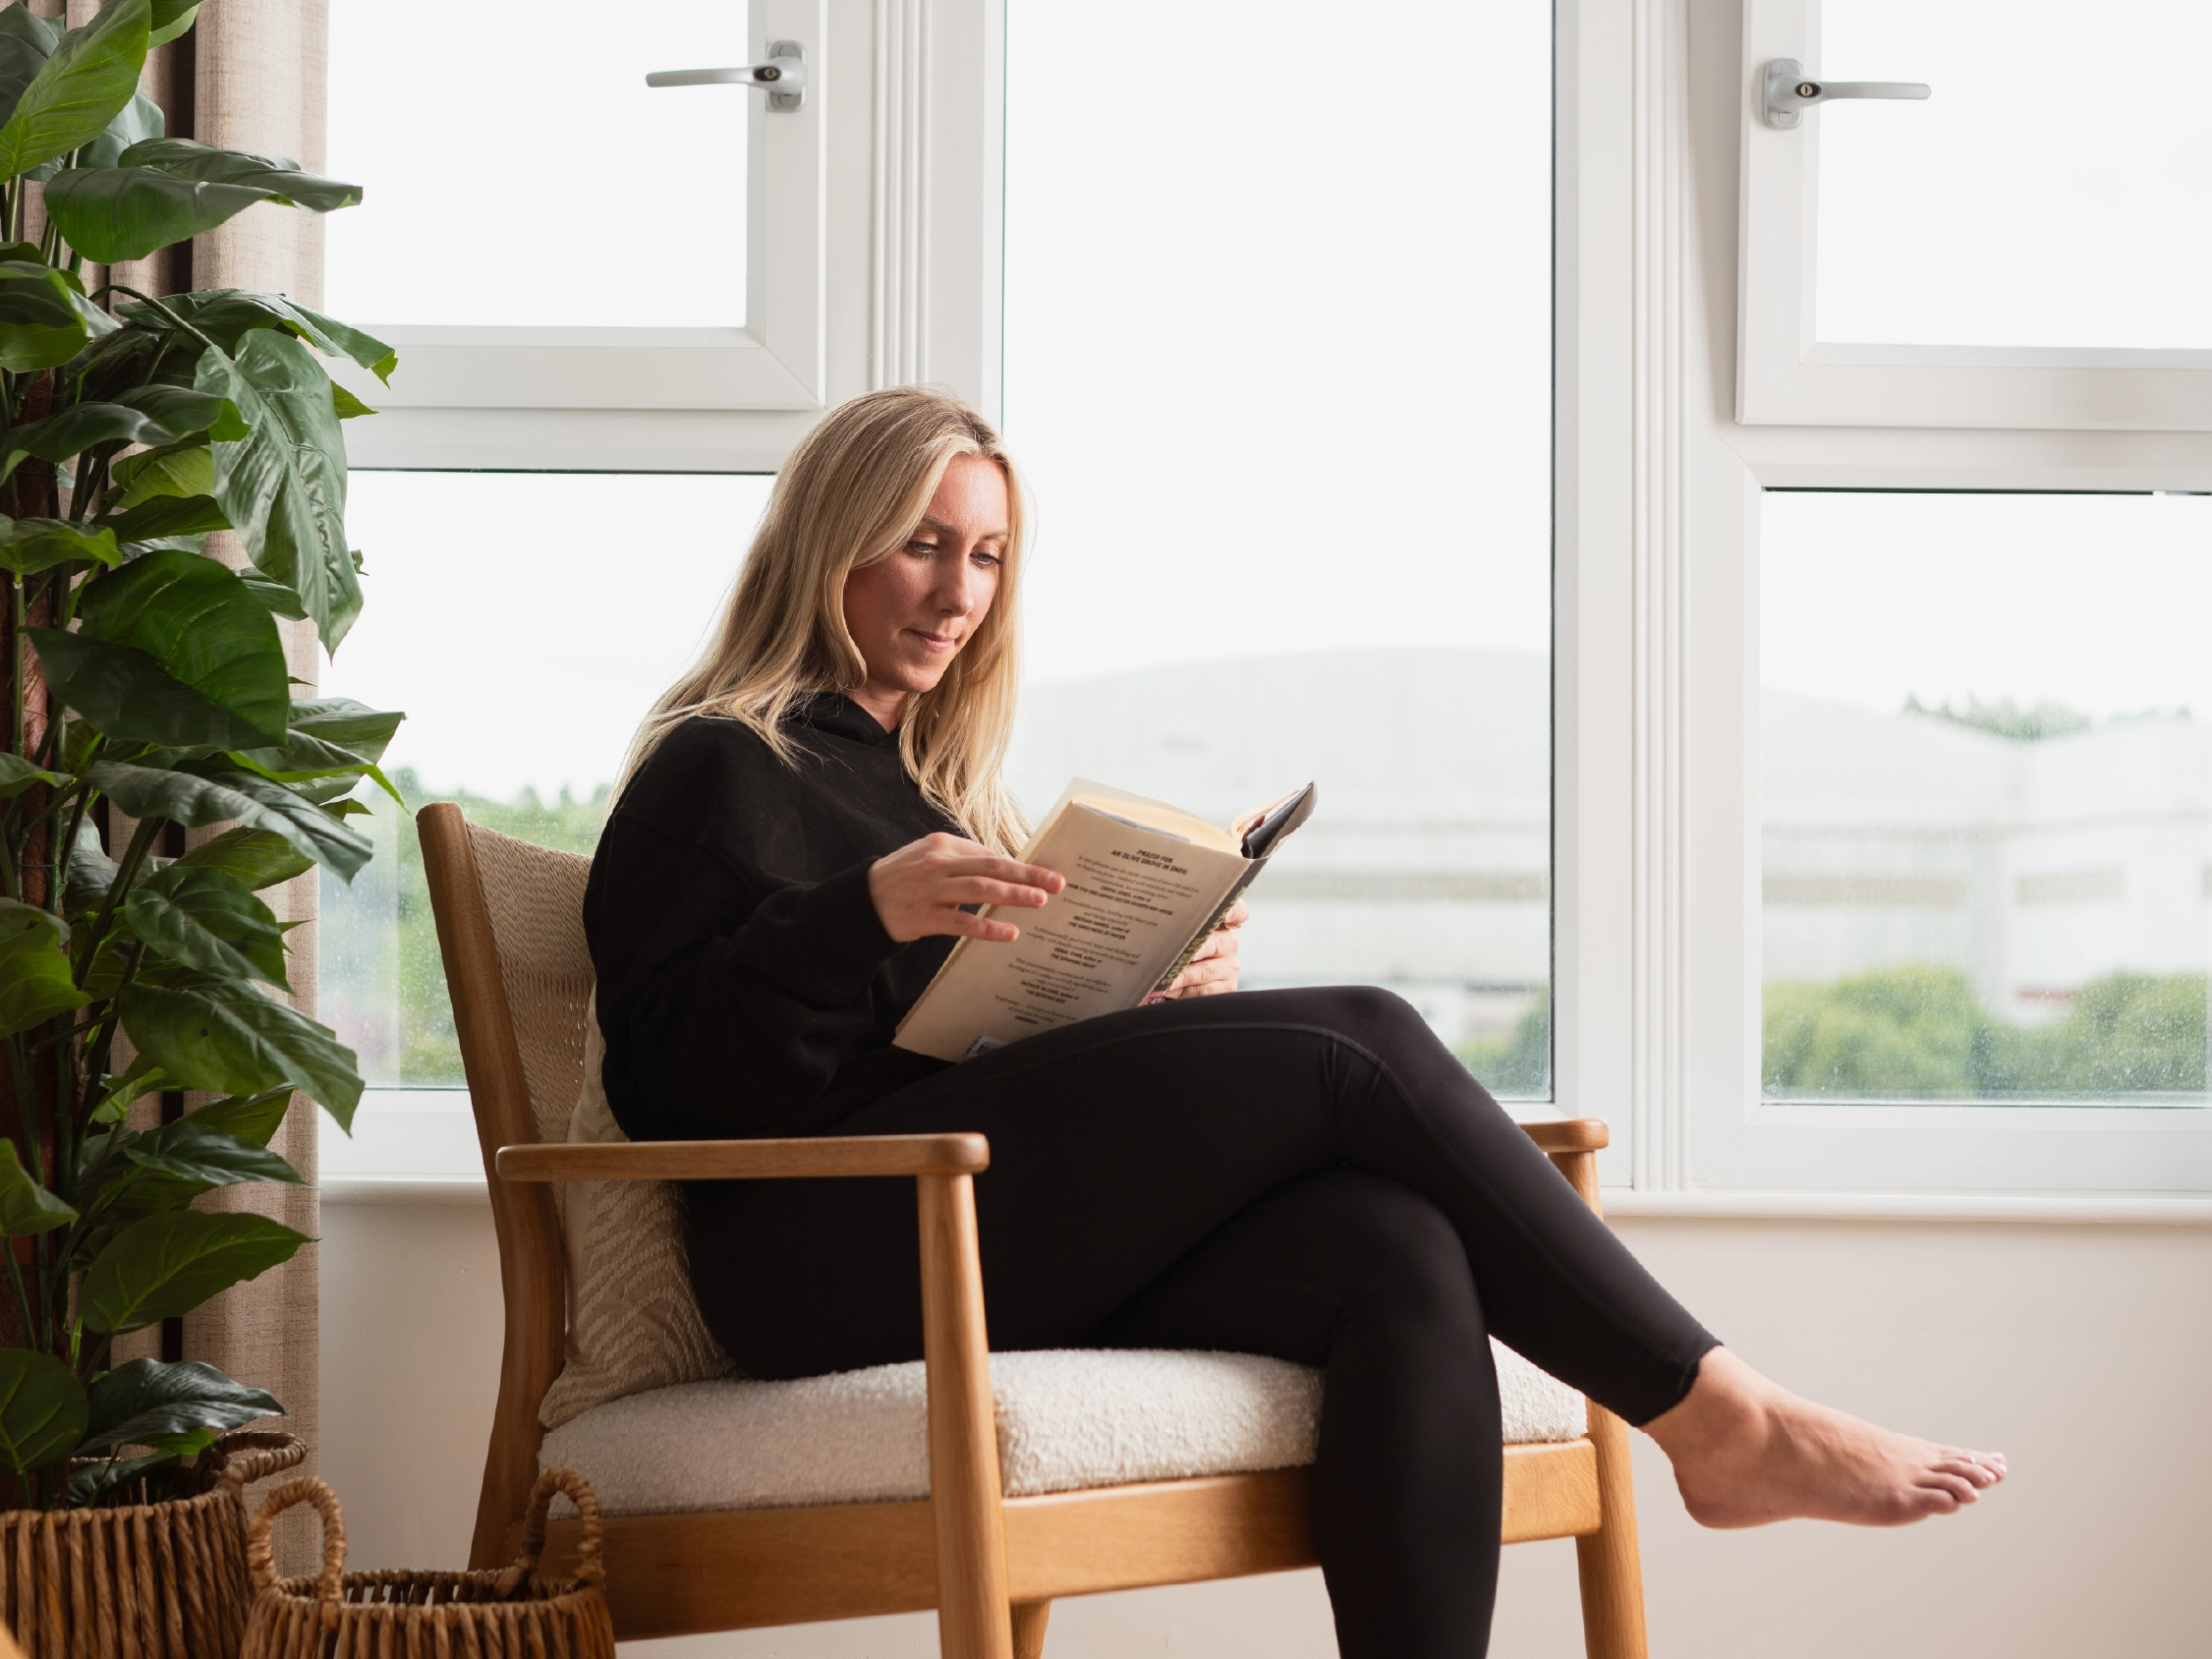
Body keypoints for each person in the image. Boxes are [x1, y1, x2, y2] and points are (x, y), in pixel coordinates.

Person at [583, 387, 2006, 1659]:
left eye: (989, 555)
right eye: (922, 543)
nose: (958, 592)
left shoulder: (932, 796)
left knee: (1396, 1250)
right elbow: (667, 1086)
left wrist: (1129, 995)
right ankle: (1722, 1419)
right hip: (822, 1250)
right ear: (823, 544)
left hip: (980, 1216)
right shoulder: (715, 764)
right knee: (1353, 1041)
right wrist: (857, 914)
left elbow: (950, 1044)